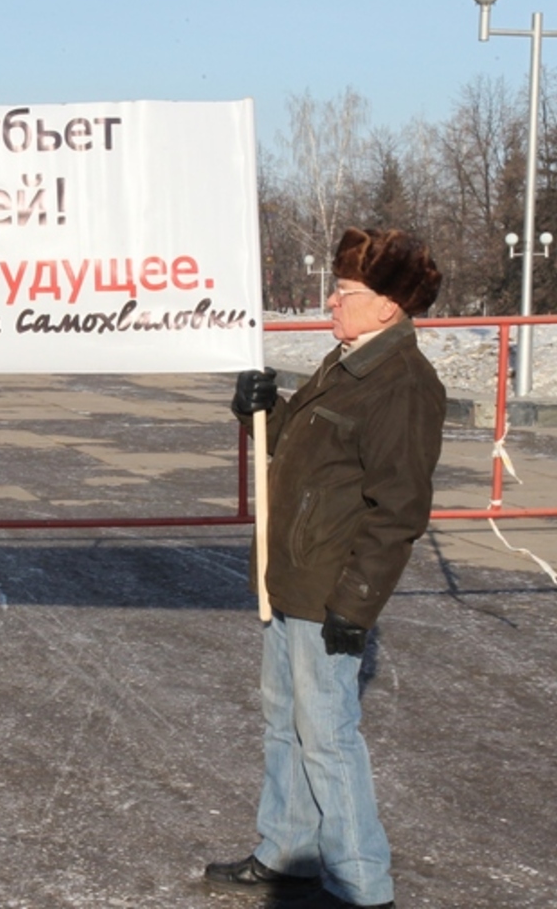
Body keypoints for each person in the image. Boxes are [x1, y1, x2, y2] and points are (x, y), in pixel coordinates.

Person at [205, 228, 446, 909]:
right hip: (291, 577)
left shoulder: (401, 385)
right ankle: (288, 851)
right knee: (284, 723)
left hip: (330, 590)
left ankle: (362, 883)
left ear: (388, 305)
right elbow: (299, 450)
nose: (331, 302)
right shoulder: (346, 362)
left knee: (328, 739)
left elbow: (398, 510)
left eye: (345, 292)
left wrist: (356, 603)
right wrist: (261, 411)